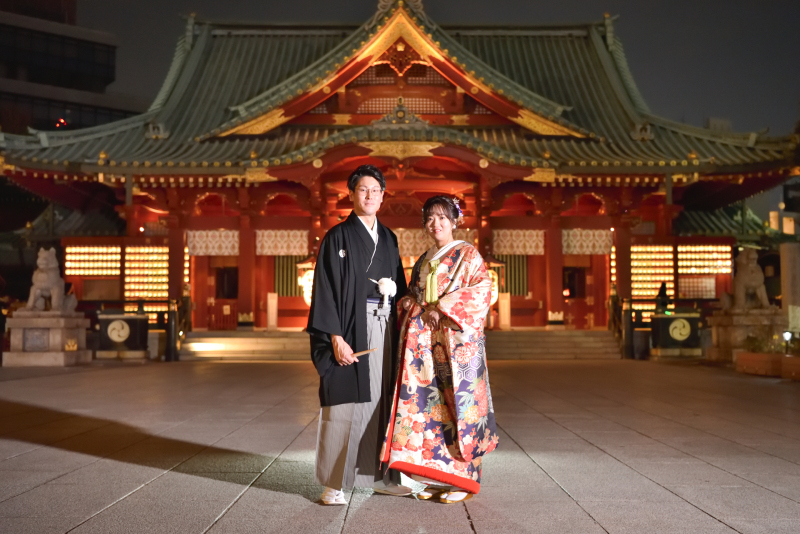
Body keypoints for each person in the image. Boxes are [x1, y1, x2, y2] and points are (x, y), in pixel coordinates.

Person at [381, 195, 499, 503]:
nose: (436, 224)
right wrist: (410, 302)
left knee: (460, 406)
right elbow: (413, 292)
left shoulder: (467, 254)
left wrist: (443, 307)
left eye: (443, 218)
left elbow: (482, 289)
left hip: (457, 344)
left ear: (455, 221)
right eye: (430, 219)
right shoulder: (424, 258)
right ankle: (438, 475)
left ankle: (464, 481)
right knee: (432, 407)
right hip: (426, 346)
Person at [307, 164, 411, 505]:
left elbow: (401, 291)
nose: (369, 195)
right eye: (362, 189)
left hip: (385, 329)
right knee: (344, 404)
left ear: (383, 197)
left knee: (382, 401)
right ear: (352, 195)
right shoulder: (337, 237)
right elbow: (324, 289)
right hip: (350, 326)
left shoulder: (390, 239)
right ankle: (334, 483)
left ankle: (380, 476)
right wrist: (335, 337)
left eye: (375, 190)